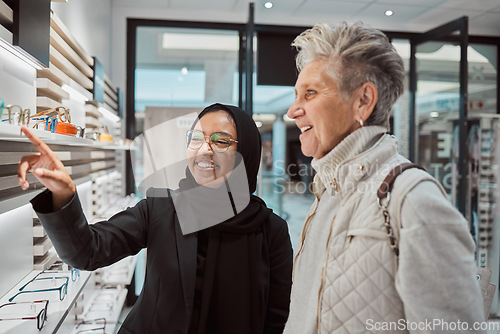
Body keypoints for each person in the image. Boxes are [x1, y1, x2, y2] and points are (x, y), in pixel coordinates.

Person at [17, 103, 293, 334]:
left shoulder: (271, 231)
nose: (204, 149)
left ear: (246, 153)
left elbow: (275, 317)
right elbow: (87, 251)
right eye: (195, 138)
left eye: (220, 141)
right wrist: (63, 194)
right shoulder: (161, 209)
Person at [283, 22, 485, 334]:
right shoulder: (328, 192)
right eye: (297, 95)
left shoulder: (413, 200)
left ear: (363, 100)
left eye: (310, 93)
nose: (293, 110)